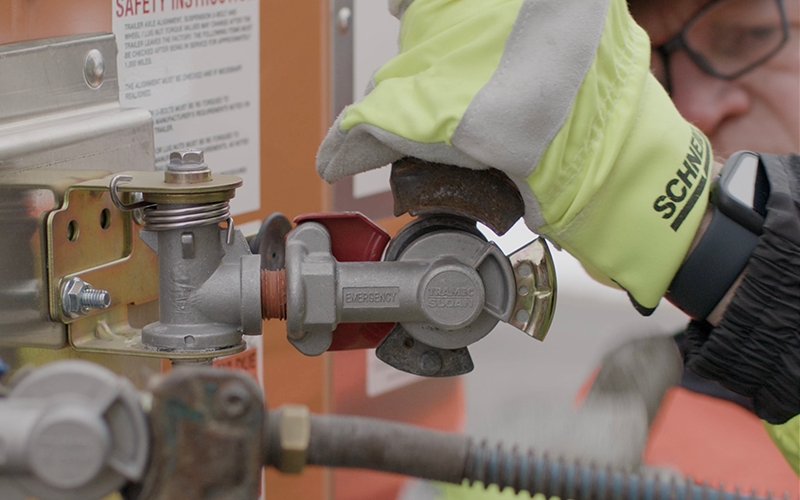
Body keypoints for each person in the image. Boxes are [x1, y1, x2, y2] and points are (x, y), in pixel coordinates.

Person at [315, 0, 800, 496]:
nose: (694, 110)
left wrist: (722, 244)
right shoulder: (659, 397)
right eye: (651, 60)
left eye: (749, 37)